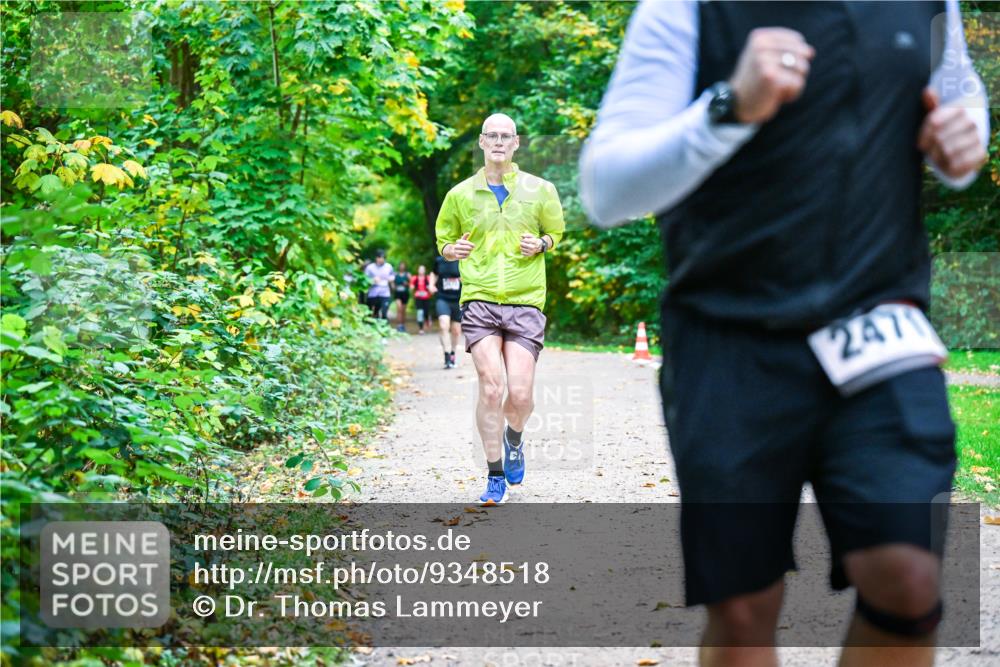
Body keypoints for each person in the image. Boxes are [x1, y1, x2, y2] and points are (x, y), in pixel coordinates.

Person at [579, 2, 988, 665]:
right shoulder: (685, 8)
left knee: (908, 578)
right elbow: (604, 187)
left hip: (877, 325)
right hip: (729, 337)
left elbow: (960, 96)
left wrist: (965, 143)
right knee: (743, 612)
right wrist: (729, 106)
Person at [436, 112, 565, 506]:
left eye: (504, 136)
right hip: (479, 299)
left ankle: (514, 439)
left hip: (526, 300)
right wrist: (450, 250)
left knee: (521, 395)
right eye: (491, 135)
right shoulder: (460, 194)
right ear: (480, 142)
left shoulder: (540, 190)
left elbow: (555, 233)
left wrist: (541, 244)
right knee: (491, 388)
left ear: (516, 143)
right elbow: (443, 239)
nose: (497, 141)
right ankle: (494, 474)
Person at [432, 254, 463, 369]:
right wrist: (431, 285)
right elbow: (434, 274)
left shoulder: (462, 259)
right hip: (442, 298)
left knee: (456, 330)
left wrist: (463, 280)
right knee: (443, 324)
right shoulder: (439, 260)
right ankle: (446, 355)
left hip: (458, 299)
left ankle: (453, 354)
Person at [363, 249, 394, 321]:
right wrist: (373, 280)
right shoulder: (370, 268)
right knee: (373, 313)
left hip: (385, 293)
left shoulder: (388, 267)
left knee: (384, 313)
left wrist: (389, 279)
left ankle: (384, 327)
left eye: (383, 258)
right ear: (376, 258)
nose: (381, 260)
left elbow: (392, 276)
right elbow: (364, 279)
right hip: (373, 293)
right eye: (379, 258)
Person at [410, 265, 433, 334]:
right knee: (420, 313)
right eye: (420, 269)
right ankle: (421, 329)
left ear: (425, 271)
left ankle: (427, 319)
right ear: (418, 270)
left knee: (426, 313)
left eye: (422, 269)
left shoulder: (428, 278)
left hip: (426, 298)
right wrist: (412, 287)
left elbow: (431, 288)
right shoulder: (414, 278)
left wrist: (429, 288)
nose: (421, 271)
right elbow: (411, 287)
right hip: (418, 298)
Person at [393, 261, 412, 333]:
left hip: (405, 294)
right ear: (399, 266)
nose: (402, 267)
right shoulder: (396, 274)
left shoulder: (407, 274)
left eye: (403, 265)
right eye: (401, 265)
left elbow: (412, 283)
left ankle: (403, 325)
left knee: (403, 311)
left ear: (405, 267)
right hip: (397, 294)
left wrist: (407, 284)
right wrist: (394, 287)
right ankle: (399, 325)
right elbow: (393, 283)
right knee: (399, 309)